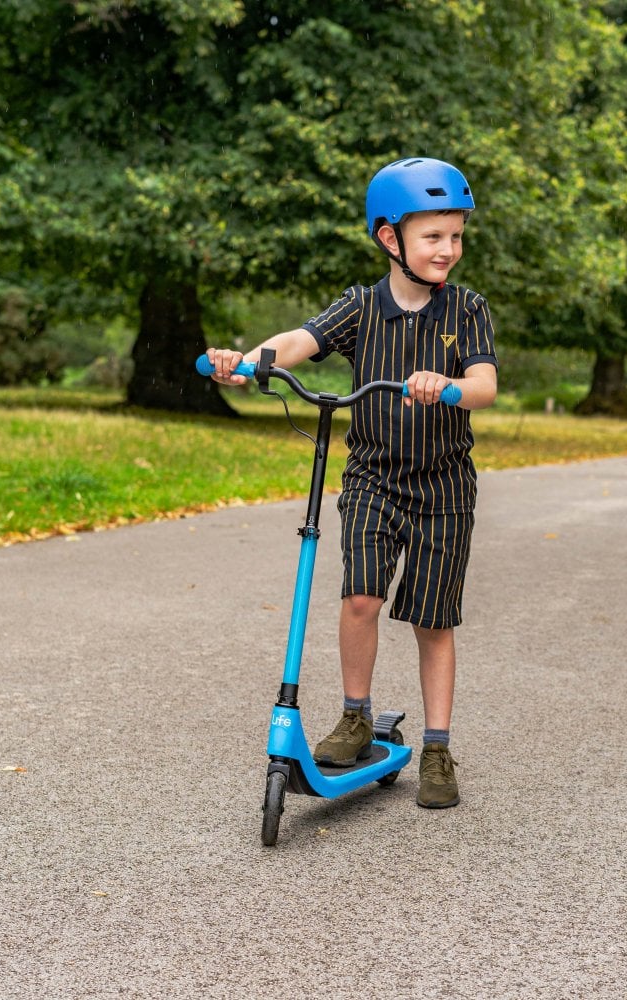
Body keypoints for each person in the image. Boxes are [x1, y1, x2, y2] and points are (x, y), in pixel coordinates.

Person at [206, 157, 498, 808]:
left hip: (443, 490)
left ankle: (437, 748)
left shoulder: (468, 311)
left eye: (456, 236)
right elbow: (300, 341)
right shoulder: (361, 308)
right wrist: (245, 363)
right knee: (361, 597)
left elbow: (486, 386)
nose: (448, 249)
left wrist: (446, 386)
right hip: (371, 478)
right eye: (433, 236)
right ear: (389, 238)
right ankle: (357, 714)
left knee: (432, 620)